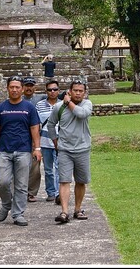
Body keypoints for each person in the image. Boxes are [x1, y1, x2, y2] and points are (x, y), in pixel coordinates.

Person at [0, 75, 42, 227]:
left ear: (22, 89)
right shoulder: (1, 108)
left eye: (18, 87)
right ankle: (6, 204)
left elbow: (34, 128)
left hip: (23, 150)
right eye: (12, 87)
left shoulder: (29, 108)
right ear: (7, 89)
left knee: (21, 185)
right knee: (2, 181)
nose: (15, 90)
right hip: (4, 150)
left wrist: (37, 148)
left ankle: (18, 214)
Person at [49, 79, 93, 224]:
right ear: (70, 91)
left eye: (81, 91)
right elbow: (51, 124)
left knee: (81, 181)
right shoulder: (58, 107)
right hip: (65, 150)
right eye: (75, 90)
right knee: (64, 180)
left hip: (82, 148)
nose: (78, 93)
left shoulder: (87, 104)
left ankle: (77, 209)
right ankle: (64, 211)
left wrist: (69, 103)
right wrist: (55, 141)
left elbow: (81, 114)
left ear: (85, 93)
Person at [35, 80, 61, 203]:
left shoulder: (64, 104)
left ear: (58, 91)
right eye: (50, 90)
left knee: (59, 168)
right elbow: (36, 125)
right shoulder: (39, 105)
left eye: (55, 89)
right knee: (48, 169)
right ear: (46, 91)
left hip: (60, 141)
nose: (52, 92)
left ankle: (58, 193)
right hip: (45, 141)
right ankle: (50, 192)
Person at [22, 76, 46, 202]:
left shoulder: (40, 98)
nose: (29, 88)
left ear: (34, 87)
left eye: (31, 85)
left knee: (35, 165)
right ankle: (20, 190)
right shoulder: (18, 99)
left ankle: (31, 192)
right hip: (21, 136)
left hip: (36, 135)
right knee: (20, 164)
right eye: (26, 85)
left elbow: (55, 95)